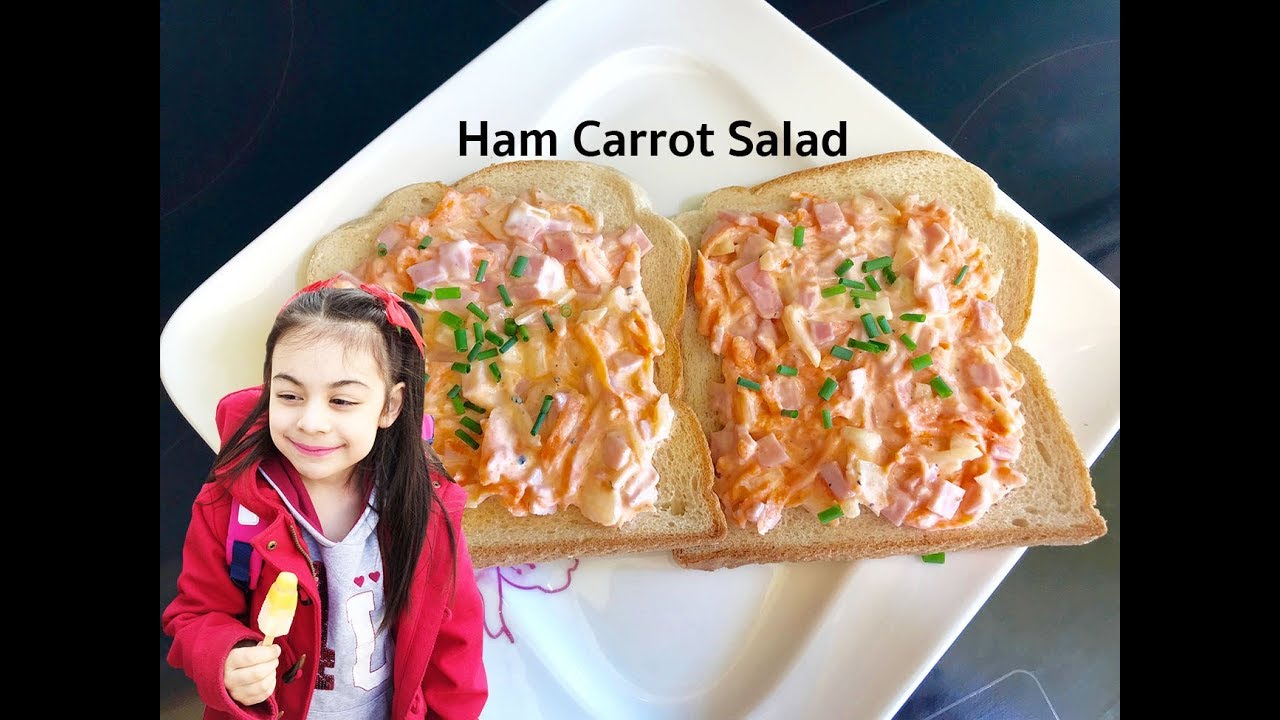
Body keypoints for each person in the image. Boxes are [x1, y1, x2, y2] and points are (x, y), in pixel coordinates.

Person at [162, 279, 488, 720]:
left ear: (390, 406)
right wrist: (224, 658)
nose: (311, 421)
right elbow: (194, 615)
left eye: (342, 400)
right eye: (289, 395)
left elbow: (455, 640)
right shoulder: (231, 501)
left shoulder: (426, 510)